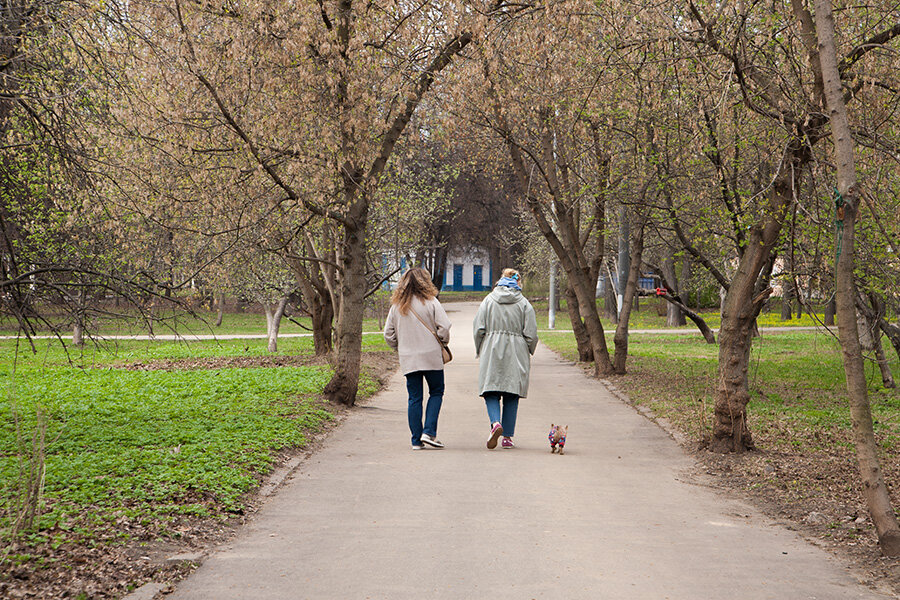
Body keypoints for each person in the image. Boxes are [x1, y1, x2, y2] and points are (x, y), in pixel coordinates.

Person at [384, 267, 452, 450]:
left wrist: (401, 347)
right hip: (431, 356)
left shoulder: (397, 306)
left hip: (409, 358)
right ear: (425, 281)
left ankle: (416, 440)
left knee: (414, 397)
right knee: (436, 392)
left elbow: (388, 334)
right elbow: (444, 327)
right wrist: (442, 341)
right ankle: (429, 432)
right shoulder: (431, 302)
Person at [473, 268, 538, 449]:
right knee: (511, 393)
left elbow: (478, 328)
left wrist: (479, 348)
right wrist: (529, 349)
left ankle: (495, 423)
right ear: (518, 282)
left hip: (491, 349)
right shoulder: (524, 304)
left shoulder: (488, 301)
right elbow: (531, 333)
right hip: (517, 351)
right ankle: (507, 437)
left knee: (490, 390)